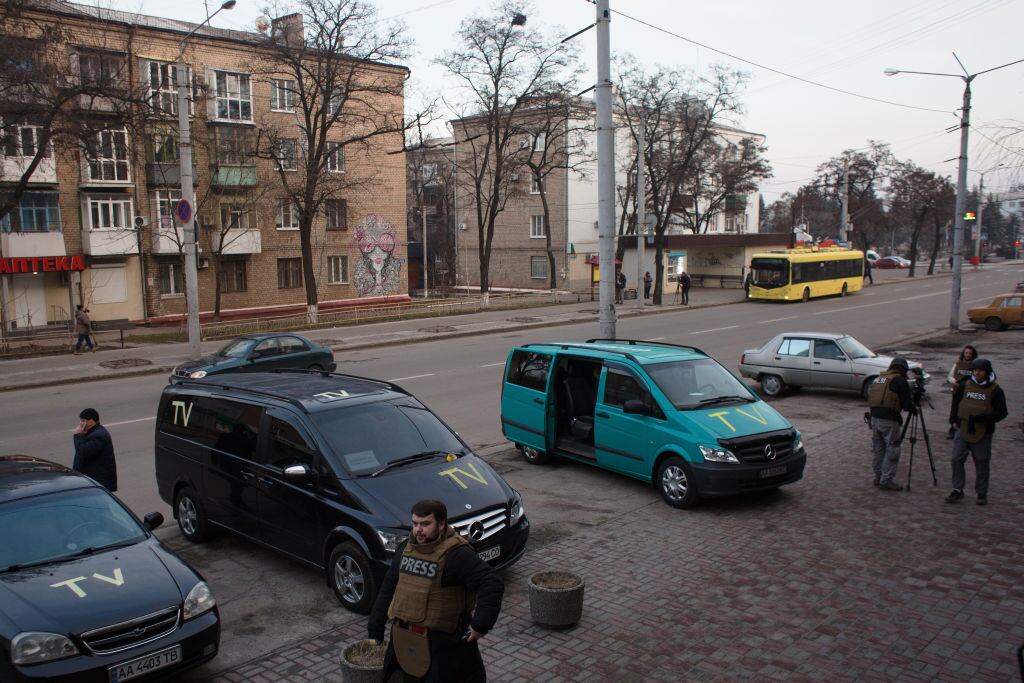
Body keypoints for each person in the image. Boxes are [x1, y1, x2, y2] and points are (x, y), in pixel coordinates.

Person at [368, 499, 504, 682]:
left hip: (444, 646)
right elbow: (388, 587)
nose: (418, 530)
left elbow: (491, 582)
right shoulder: (405, 549)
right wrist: (375, 628)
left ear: (441, 524)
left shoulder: (456, 554)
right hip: (404, 637)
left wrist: (480, 625)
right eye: (415, 523)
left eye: (425, 524)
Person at [946, 358, 1007, 506]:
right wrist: (953, 421)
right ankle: (957, 489)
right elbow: (956, 403)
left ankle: (981, 492)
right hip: (963, 427)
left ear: (987, 372)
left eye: (980, 370)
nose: (977, 373)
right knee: (956, 458)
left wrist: (983, 418)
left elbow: (1002, 412)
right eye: (975, 370)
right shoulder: (964, 385)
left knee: (981, 461)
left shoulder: (995, 390)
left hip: (983, 431)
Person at [866, 357, 913, 491]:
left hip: (874, 418)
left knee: (879, 449)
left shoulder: (879, 378)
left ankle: (878, 476)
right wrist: (913, 406)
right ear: (903, 369)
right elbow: (907, 405)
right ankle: (886, 480)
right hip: (889, 420)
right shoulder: (899, 381)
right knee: (893, 449)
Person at [73, 408, 117, 491]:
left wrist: (78, 435)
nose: (81, 423)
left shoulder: (98, 436)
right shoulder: (92, 432)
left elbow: (83, 452)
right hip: (93, 480)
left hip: (98, 482)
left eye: (83, 420)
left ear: (91, 421)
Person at [945, 345, 979, 438]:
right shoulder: (958, 364)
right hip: (957, 390)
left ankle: (964, 428)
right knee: (955, 409)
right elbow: (950, 376)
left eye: (970, 353)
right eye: (966, 353)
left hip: (968, 392)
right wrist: (954, 382)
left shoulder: (975, 365)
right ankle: (952, 427)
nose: (968, 355)